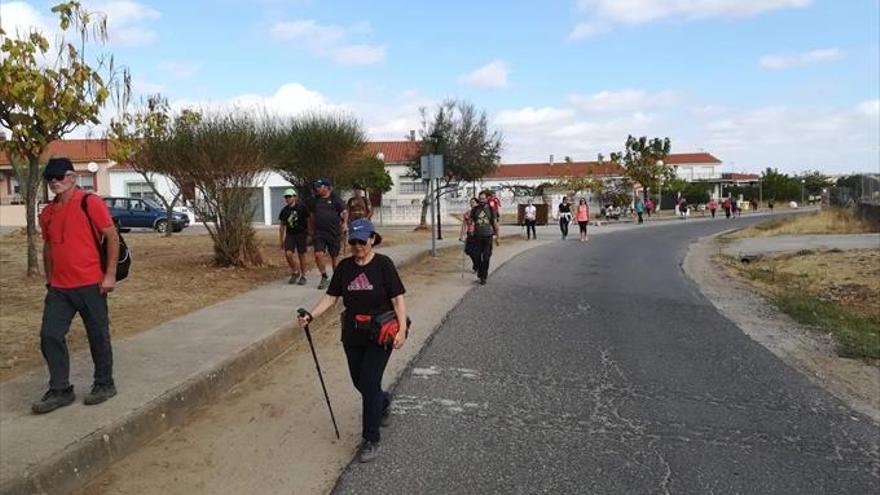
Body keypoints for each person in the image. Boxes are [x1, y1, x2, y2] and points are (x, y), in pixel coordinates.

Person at [297, 218, 406, 463]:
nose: (357, 245)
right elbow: (331, 297)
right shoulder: (345, 268)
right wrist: (311, 315)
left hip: (381, 333)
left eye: (362, 240)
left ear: (372, 239)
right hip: (353, 334)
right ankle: (384, 401)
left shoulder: (383, 264)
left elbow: (398, 298)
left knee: (368, 383)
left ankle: (371, 438)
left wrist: (402, 331)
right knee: (360, 383)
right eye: (353, 241)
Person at [32, 158, 120, 414]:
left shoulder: (89, 202)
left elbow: (111, 236)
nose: (54, 183)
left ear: (72, 177)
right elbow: (49, 245)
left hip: (92, 284)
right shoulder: (47, 212)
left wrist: (110, 275)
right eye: (50, 179)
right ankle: (60, 389)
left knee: (98, 335)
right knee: (49, 335)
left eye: (59, 177)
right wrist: (49, 278)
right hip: (59, 288)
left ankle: (104, 383)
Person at [309, 178, 348, 290]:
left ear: (326, 187)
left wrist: (345, 224)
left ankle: (337, 280)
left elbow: (344, 211)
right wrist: (311, 230)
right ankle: (324, 277)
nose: (317, 189)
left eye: (319, 186)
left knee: (335, 259)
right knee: (318, 254)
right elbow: (311, 216)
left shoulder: (335, 199)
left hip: (334, 233)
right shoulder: (315, 200)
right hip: (320, 233)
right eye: (316, 186)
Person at [279, 188, 310, 285]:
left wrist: (309, 234)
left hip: (301, 233)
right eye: (286, 197)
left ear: (295, 197)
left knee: (302, 255)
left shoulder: (302, 207)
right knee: (288, 253)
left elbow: (308, 220)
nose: (287, 199)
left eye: (289, 196)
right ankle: (295, 270)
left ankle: (303, 275)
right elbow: (282, 225)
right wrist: (281, 239)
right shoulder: (284, 210)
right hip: (290, 234)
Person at [471, 192, 500, 284]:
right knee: (477, 256)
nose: (482, 200)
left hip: (488, 237)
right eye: (480, 199)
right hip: (477, 237)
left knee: (486, 257)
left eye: (483, 198)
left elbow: (495, 223)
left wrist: (498, 237)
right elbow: (472, 222)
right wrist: (470, 231)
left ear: (487, 199)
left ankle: (484, 277)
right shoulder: (475, 209)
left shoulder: (491, 210)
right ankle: (480, 272)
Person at [458, 197, 480, 272]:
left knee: (477, 251)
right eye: (471, 202)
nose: (472, 204)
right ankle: (476, 264)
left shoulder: (481, 213)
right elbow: (464, 225)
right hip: (470, 234)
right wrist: (461, 235)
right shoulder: (467, 213)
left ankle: (476, 266)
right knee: (468, 250)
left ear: (477, 203)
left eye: (473, 202)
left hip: (478, 234)